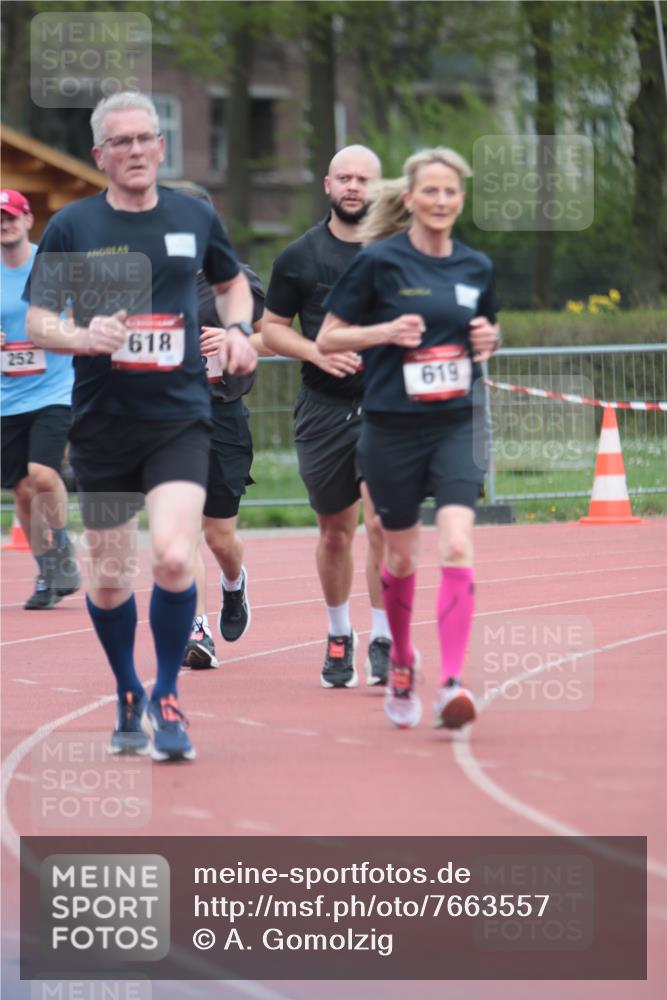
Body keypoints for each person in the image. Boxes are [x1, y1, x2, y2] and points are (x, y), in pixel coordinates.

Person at [24, 92, 256, 761]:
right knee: (109, 576)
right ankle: (128, 688)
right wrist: (82, 335)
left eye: (144, 138)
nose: (134, 150)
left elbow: (232, 284)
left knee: (176, 556)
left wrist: (239, 330)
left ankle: (168, 694)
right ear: (100, 155)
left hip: (180, 417)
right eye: (120, 141)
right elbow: (39, 321)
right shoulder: (74, 226)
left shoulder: (193, 215)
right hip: (103, 424)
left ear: (161, 146)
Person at [316, 147, 501, 730]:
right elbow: (328, 338)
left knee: (456, 544)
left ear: (461, 201)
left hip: (457, 424)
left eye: (450, 192)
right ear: (410, 198)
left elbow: (486, 334)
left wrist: (489, 341)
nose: (441, 201)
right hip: (392, 427)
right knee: (398, 554)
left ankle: (450, 684)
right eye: (431, 191)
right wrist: (386, 331)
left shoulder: (476, 267)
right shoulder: (379, 262)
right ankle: (400, 659)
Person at [263, 144, 393, 690]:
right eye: (344, 178)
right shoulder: (300, 256)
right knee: (336, 532)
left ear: (378, 187)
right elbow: (271, 330)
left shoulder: (400, 250)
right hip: (324, 408)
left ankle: (384, 637)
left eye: (363, 179)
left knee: (383, 523)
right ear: (327, 185)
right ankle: (340, 633)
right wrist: (316, 351)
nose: (353, 187)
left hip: (387, 408)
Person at [167, 178, 269, 669]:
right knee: (182, 527)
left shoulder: (236, 280)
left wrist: (234, 339)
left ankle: (234, 582)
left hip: (222, 414)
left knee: (218, 535)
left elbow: (271, 339)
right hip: (169, 417)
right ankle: (197, 628)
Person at [1, 188, 81, 609]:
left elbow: (81, 319)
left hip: (54, 389)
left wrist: (53, 331)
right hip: (7, 397)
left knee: (43, 475)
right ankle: (46, 570)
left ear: (28, 219)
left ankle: (63, 546)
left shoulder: (50, 266)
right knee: (22, 490)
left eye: (11, 216)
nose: (5, 224)